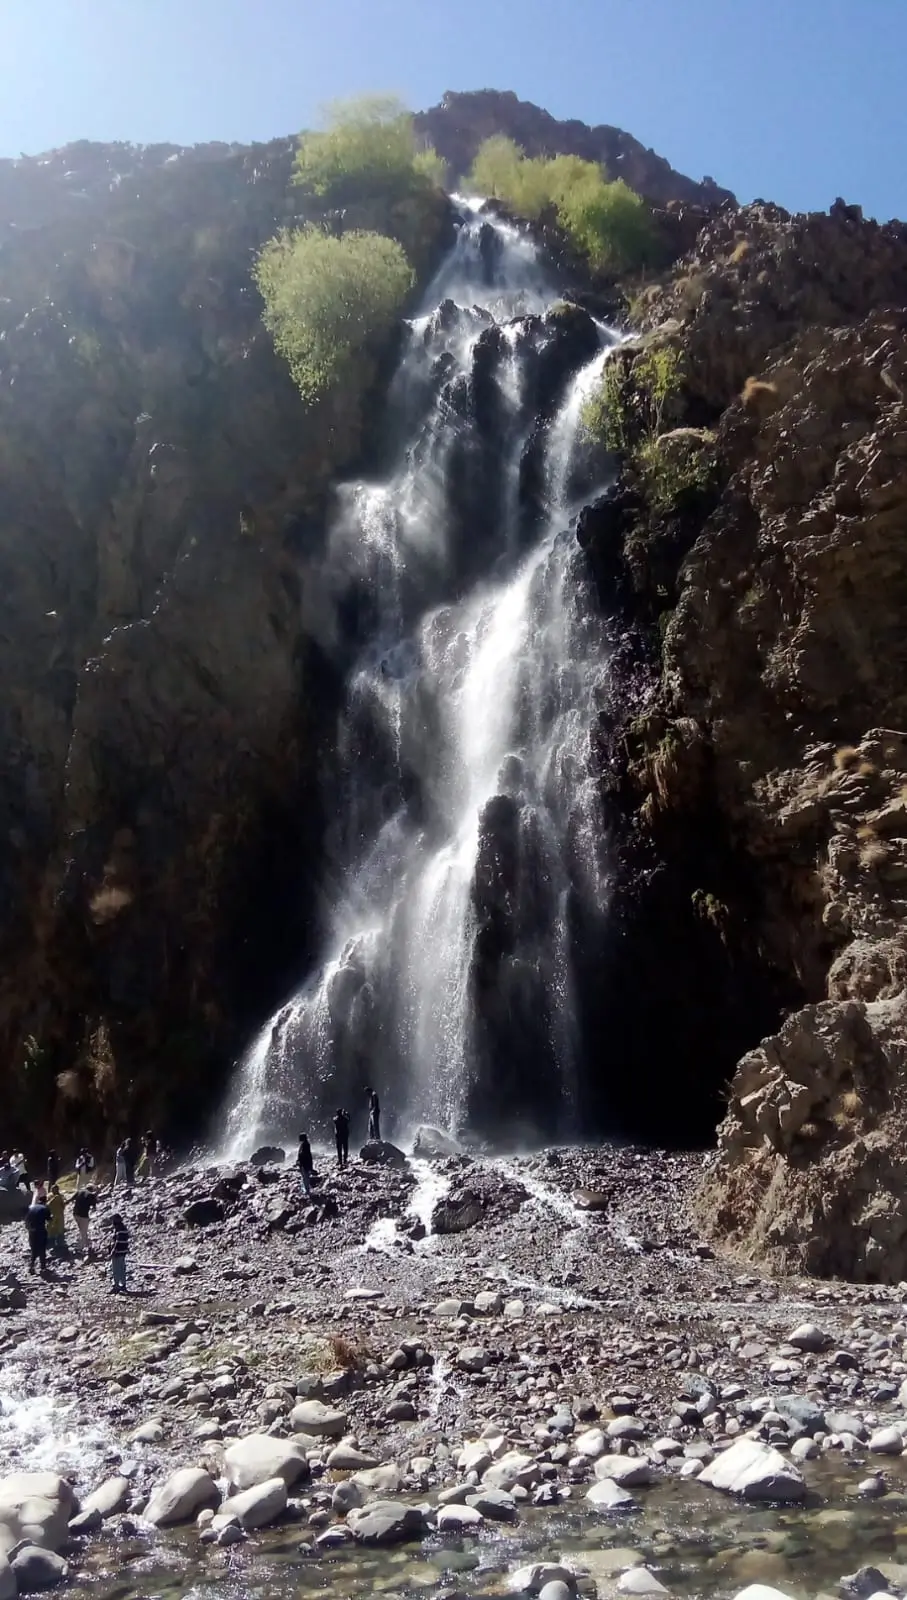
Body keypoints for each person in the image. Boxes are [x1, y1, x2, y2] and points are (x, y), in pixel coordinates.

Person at [26, 1187, 49, 1276]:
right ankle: (43, 1267)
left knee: (33, 1250)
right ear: (45, 1201)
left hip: (32, 1231)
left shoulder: (31, 1208)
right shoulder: (45, 1208)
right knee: (42, 1249)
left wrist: (30, 1228)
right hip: (41, 1231)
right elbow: (49, 1219)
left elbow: (26, 1220)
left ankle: (31, 1267)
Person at [72, 1184, 97, 1255]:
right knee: (83, 1232)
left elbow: (71, 1199)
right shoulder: (91, 1195)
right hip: (83, 1216)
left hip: (75, 1214)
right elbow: (94, 1206)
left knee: (82, 1231)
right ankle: (79, 1248)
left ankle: (88, 1245)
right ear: (92, 1189)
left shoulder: (79, 1191)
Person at [109, 1212, 129, 1293]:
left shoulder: (119, 1229)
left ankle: (116, 1286)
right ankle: (123, 1285)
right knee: (121, 1269)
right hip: (123, 1252)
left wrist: (113, 1250)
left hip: (117, 1252)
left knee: (116, 1269)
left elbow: (118, 1241)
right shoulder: (123, 1228)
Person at [46, 1183, 66, 1259]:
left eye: (55, 1189)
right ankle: (49, 1241)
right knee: (50, 1227)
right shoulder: (49, 1196)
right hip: (52, 1214)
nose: (54, 1191)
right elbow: (47, 1204)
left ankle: (60, 1242)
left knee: (60, 1227)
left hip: (59, 1214)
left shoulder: (60, 1196)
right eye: (53, 1190)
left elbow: (63, 1205)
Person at [296, 1132, 314, 1196]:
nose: (299, 1139)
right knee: (305, 1177)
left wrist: (299, 1161)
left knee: (305, 1177)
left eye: (300, 1137)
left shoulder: (305, 1145)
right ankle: (306, 1190)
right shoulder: (305, 1144)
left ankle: (307, 1190)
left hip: (305, 1163)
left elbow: (304, 1155)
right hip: (305, 1163)